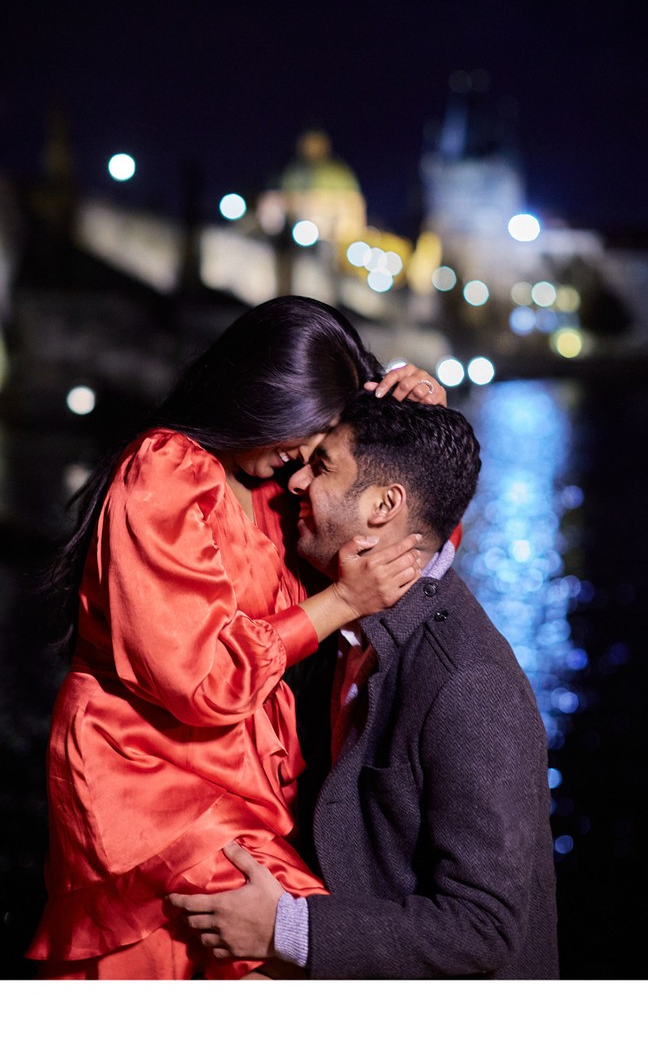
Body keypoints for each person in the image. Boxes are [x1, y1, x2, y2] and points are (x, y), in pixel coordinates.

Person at [27, 295, 445, 980]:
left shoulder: (282, 491)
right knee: (273, 959)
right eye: (304, 431)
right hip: (145, 781)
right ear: (260, 395)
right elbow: (198, 675)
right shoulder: (165, 471)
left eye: (321, 444)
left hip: (238, 784)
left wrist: (415, 425)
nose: (304, 454)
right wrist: (341, 600)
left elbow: (394, 548)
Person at [170, 392, 560, 979]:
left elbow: (484, 930)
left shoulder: (470, 685)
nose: (295, 481)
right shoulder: (349, 613)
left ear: (384, 506)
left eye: (322, 466)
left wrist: (287, 929)